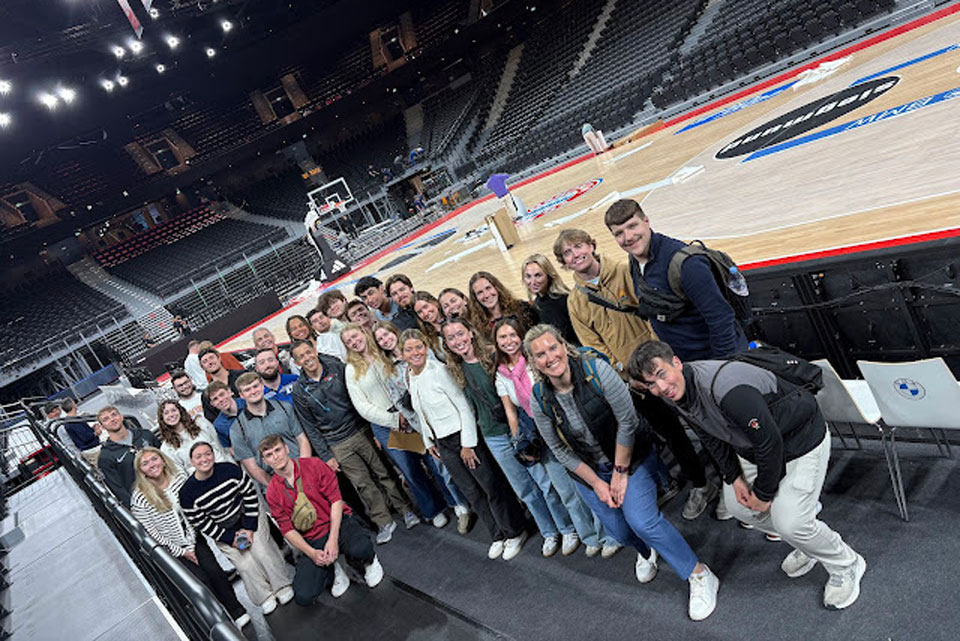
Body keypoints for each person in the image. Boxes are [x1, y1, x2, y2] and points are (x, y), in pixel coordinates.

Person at [629, 340, 866, 610]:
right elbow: (709, 434)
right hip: (753, 446)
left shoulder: (727, 388)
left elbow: (769, 443)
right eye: (651, 384)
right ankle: (808, 542)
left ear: (677, 363)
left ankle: (846, 563)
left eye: (662, 374)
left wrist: (763, 494)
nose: (661, 387)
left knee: (790, 522)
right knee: (739, 508)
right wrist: (733, 477)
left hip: (800, 439)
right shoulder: (676, 394)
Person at [525, 325, 719, 621]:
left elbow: (628, 420)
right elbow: (559, 449)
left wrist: (619, 472)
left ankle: (699, 573)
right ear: (533, 362)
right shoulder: (539, 397)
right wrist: (597, 484)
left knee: (643, 521)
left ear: (564, 346)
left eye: (553, 347)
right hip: (591, 472)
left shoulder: (595, 370)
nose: (550, 357)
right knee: (619, 532)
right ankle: (646, 551)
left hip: (632, 457)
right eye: (540, 354)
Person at [554, 228, 716, 518]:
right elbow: (593, 347)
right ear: (563, 262)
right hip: (634, 383)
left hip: (662, 367)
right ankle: (702, 484)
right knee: (672, 434)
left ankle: (729, 477)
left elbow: (653, 315)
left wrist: (657, 362)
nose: (575, 254)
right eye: (567, 252)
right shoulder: (575, 301)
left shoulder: (625, 272)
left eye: (578, 246)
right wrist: (629, 376)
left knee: (703, 421)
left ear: (591, 246)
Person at [442, 317, 583, 559]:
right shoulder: (453, 370)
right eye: (451, 338)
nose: (458, 341)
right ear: (445, 343)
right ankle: (549, 532)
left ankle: (567, 528)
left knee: (545, 483)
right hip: (493, 436)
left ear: (471, 333)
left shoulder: (492, 356)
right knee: (524, 489)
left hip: (519, 428)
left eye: (460, 334)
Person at [491, 317, 622, 557]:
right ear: (496, 342)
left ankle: (609, 534)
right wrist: (521, 444)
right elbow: (512, 414)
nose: (509, 341)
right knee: (566, 492)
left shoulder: (537, 360)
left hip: (565, 430)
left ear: (521, 336)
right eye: (502, 337)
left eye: (512, 335)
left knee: (586, 485)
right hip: (540, 438)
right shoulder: (501, 375)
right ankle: (589, 536)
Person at [403, 328, 529, 561]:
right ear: (402, 355)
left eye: (419, 347)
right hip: (442, 443)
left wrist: (468, 444)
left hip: (463, 437)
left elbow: (463, 405)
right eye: (409, 350)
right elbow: (421, 411)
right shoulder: (409, 375)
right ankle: (497, 534)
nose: (415, 353)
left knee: (490, 486)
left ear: (426, 348)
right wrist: (428, 440)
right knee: (471, 491)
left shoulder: (439, 371)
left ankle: (514, 530)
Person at [290, 340, 416, 544]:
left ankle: (406, 510)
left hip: (361, 429)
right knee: (362, 484)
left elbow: (358, 396)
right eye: (301, 357)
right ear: (296, 363)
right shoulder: (299, 390)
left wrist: (373, 430)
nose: (307, 358)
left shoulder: (337, 367)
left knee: (383, 472)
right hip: (337, 443)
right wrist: (326, 455)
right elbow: (309, 426)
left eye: (308, 352)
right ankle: (384, 521)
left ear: (315, 350)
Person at [604, 199, 748, 362]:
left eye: (632, 226)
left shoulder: (687, 264)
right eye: (619, 233)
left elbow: (721, 318)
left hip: (716, 362)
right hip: (684, 363)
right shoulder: (634, 260)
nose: (628, 237)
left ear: (646, 221)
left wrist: (722, 366)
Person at [341, 323, 450, 529]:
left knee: (432, 458)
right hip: (386, 425)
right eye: (349, 342)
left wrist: (406, 412)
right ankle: (433, 510)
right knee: (410, 469)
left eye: (355, 336)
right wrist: (392, 419)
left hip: (409, 412)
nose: (354, 342)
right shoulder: (351, 370)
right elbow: (362, 406)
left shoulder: (384, 353)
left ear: (363, 332)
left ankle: (452, 500)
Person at [131, 447, 250, 629]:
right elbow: (151, 533)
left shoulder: (180, 478)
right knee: (201, 583)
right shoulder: (139, 498)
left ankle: (237, 611)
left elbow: (193, 509)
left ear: (162, 460)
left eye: (154, 459)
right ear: (141, 471)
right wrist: (182, 551)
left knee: (215, 572)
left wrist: (192, 544)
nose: (152, 465)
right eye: (145, 463)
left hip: (194, 537)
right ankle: (221, 623)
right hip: (172, 549)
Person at [372, 320, 473, 532]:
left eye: (387, 334)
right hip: (422, 426)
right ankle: (461, 507)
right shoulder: (388, 370)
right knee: (443, 469)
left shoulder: (420, 349)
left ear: (395, 332)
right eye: (380, 339)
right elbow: (398, 401)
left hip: (447, 416)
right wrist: (419, 424)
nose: (385, 340)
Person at [262, 436, 383, 605]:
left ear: (287, 449)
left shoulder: (313, 465)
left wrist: (333, 540)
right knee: (304, 595)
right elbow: (287, 530)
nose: (275, 457)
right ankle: (334, 569)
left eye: (278, 450)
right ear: (265, 461)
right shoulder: (272, 493)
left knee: (360, 549)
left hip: (338, 523)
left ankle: (369, 561)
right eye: (269, 455)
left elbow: (336, 500)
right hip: (313, 537)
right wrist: (311, 553)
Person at [180, 442, 294, 616]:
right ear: (191, 462)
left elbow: (250, 495)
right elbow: (202, 523)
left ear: (213, 455)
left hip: (248, 515)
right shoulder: (187, 493)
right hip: (223, 529)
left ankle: (282, 585)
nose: (204, 459)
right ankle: (264, 596)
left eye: (208, 454)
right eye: (199, 456)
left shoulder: (229, 470)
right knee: (245, 563)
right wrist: (229, 538)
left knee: (262, 551)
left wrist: (249, 528)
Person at [233, 372, 313, 487]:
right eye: (247, 390)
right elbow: (252, 467)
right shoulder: (237, 429)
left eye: (255, 386)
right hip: (274, 485)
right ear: (241, 395)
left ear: (262, 386)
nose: (253, 391)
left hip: (303, 473)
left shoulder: (285, 408)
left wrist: (303, 471)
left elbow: (302, 440)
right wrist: (280, 487)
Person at [98, 405, 161, 506]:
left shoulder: (145, 435)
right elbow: (118, 490)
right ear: (102, 427)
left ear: (121, 417)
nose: (112, 419)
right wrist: (135, 507)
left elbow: (166, 458)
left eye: (114, 415)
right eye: (106, 419)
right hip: (146, 502)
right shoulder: (106, 457)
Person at [520, 254, 580, 345]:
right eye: (528, 276)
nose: (533, 282)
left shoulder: (563, 299)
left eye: (538, 275)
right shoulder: (536, 304)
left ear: (549, 275)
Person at [157, 399, 230, 473]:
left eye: (173, 410)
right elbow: (179, 471)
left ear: (180, 411)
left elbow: (220, 446)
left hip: (222, 466)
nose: (171, 415)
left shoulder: (201, 424)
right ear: (162, 419)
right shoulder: (167, 447)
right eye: (166, 413)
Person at [467, 271, 539, 340]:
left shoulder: (522, 308)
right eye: (480, 292)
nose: (486, 295)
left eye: (488, 288)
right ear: (475, 298)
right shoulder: (478, 326)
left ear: (496, 288)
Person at [199, 347, 246, 422]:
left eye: (211, 358)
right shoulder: (206, 396)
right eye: (205, 361)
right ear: (202, 367)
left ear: (219, 358)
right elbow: (214, 419)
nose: (210, 362)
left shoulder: (242, 376)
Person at [60, 398, 102, 470]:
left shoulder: (69, 421)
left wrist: (93, 429)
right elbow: (85, 437)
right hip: (92, 450)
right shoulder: (74, 421)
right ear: (73, 406)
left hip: (88, 449)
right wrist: (96, 432)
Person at [207, 381, 245, 450]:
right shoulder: (218, 425)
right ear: (212, 404)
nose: (220, 400)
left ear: (229, 392)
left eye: (222, 394)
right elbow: (228, 449)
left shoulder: (247, 402)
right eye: (215, 399)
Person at [412, 291, 446, 357]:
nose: (425, 313)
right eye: (420, 312)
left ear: (434, 302)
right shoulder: (425, 337)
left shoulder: (453, 319)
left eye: (425, 307)